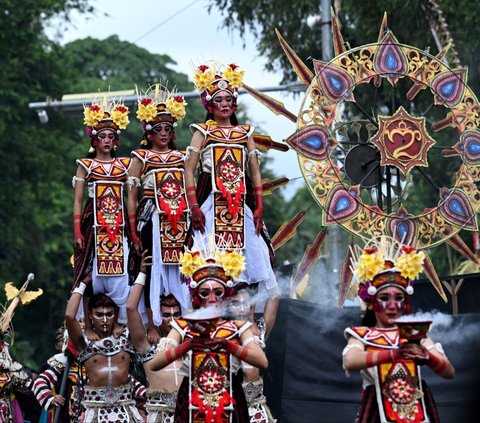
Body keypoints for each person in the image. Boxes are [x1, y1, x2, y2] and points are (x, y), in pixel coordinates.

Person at [185, 61, 279, 334]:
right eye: (219, 100)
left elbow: (254, 171)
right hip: (212, 206)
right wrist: (193, 206)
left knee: (256, 264)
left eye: (229, 99)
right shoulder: (202, 132)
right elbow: (188, 170)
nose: (225, 104)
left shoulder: (244, 133)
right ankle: (207, 324)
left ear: (234, 104)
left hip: (241, 208)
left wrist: (259, 205)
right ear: (210, 105)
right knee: (206, 265)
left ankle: (249, 330)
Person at [149, 245, 268, 423]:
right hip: (191, 403)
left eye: (218, 292)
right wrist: (186, 346)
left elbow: (262, 361)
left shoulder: (238, 327)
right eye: (205, 293)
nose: (212, 298)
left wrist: (229, 346)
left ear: (226, 295)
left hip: (230, 403)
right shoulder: (183, 326)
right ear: (196, 296)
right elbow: (155, 364)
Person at [343, 237, 455, 423]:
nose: (393, 305)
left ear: (406, 302)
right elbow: (350, 361)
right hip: (376, 413)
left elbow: (449, 372)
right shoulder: (361, 335)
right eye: (385, 298)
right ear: (371, 303)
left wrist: (429, 357)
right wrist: (394, 354)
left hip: (418, 412)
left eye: (399, 298)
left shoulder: (416, 334)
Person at [127, 84, 190, 343]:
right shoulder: (140, 157)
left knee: (187, 268)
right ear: (148, 133)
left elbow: (190, 188)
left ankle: (190, 317)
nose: (163, 133)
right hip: (152, 215)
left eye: (168, 129)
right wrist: (132, 231)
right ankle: (152, 323)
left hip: (181, 215)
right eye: (158, 129)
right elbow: (131, 198)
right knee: (150, 267)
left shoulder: (183, 156)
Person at [72, 97, 132, 324]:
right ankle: (86, 323)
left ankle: (121, 322)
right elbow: (77, 201)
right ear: (94, 140)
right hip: (92, 222)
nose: (106, 140)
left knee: (124, 267)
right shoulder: (85, 165)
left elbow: (133, 196)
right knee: (88, 269)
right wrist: (78, 231)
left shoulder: (125, 165)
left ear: (116, 141)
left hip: (119, 223)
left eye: (110, 136)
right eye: (102, 136)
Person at [65, 274, 143, 422]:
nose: (105, 320)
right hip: (94, 410)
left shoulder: (126, 337)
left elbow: (132, 307)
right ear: (90, 315)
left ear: (116, 314)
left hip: (125, 410)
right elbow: (69, 316)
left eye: (109, 314)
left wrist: (142, 273)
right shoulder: (84, 342)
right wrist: (82, 283)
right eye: (99, 315)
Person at [127, 250, 184, 423]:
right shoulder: (147, 347)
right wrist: (143, 273)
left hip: (188, 414)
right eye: (166, 315)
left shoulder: (193, 345)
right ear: (158, 317)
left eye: (177, 315)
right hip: (157, 417)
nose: (172, 321)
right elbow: (131, 308)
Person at [228, 283, 275, 423]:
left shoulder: (259, 331)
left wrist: (264, 265)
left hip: (254, 409)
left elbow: (275, 294)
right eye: (236, 304)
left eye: (246, 303)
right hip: (228, 408)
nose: (242, 309)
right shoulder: (219, 333)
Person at [33, 328, 86, 422]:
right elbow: (40, 382)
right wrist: (51, 398)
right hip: (67, 414)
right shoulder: (61, 362)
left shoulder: (101, 360)